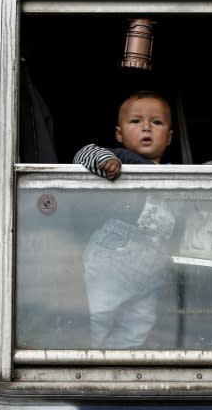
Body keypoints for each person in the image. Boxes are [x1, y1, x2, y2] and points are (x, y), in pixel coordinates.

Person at [73, 90, 177, 349]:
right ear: (119, 133)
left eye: (156, 122)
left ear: (169, 136)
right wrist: (106, 161)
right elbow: (83, 154)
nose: (146, 127)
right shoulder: (122, 158)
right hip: (114, 256)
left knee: (140, 324)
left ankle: (116, 367)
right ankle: (86, 360)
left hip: (152, 267)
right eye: (135, 121)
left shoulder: (176, 174)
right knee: (99, 314)